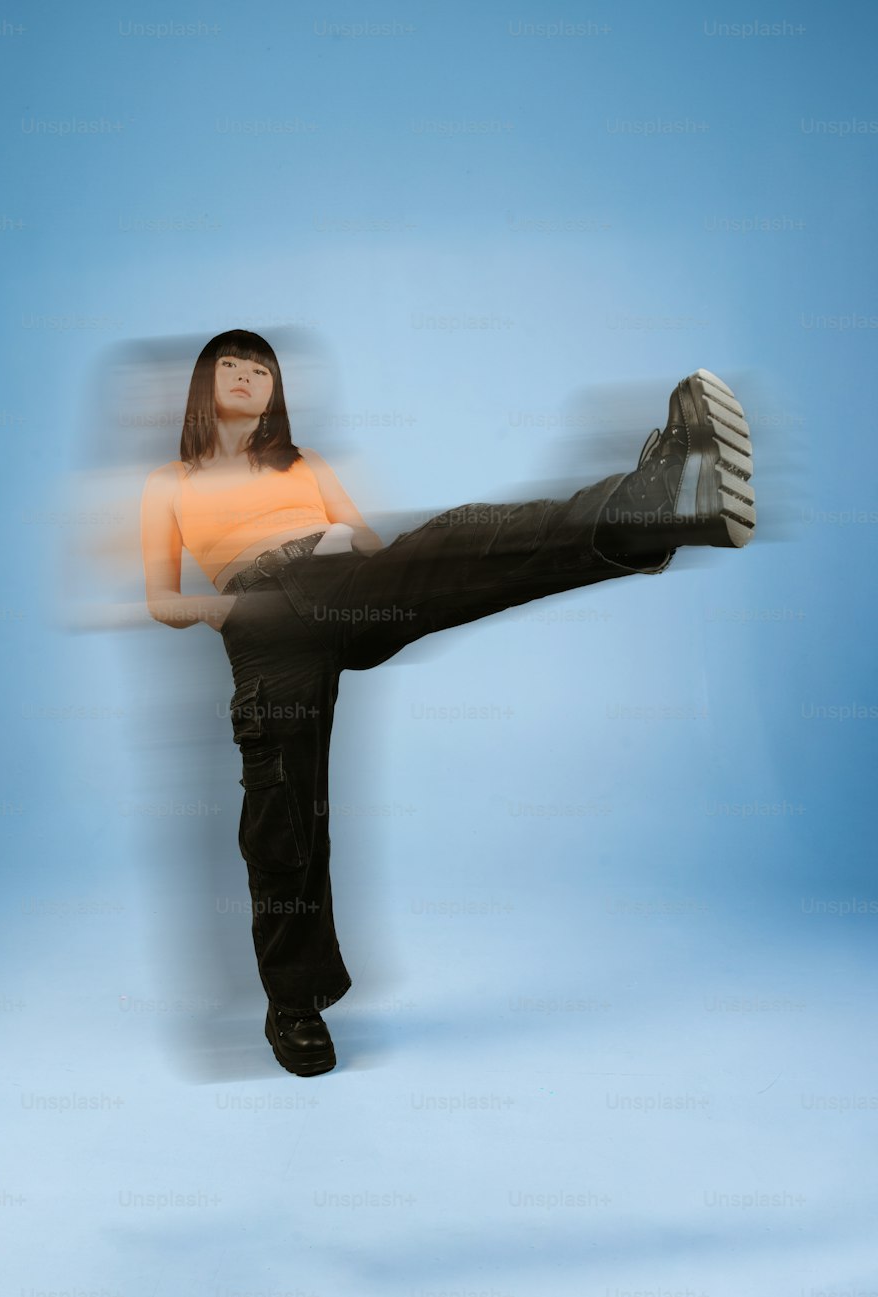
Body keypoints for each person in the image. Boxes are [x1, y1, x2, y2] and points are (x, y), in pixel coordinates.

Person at [140, 329, 755, 1077]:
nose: (244, 375)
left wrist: (353, 550)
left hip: (339, 583)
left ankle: (647, 509)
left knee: (455, 537)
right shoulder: (168, 482)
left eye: (260, 367)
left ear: (276, 393)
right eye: (229, 366)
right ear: (204, 386)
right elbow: (160, 598)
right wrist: (216, 612)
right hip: (258, 618)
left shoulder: (306, 465)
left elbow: (371, 546)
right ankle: (293, 1001)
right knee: (284, 808)